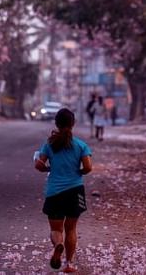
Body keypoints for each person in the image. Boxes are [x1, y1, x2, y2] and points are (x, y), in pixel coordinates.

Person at [35, 108, 93, 273]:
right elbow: (88, 167)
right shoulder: (81, 145)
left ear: (56, 124)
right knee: (71, 228)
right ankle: (69, 264)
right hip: (75, 191)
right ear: (73, 124)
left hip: (55, 192)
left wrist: (46, 168)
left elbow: (38, 165)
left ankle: (58, 244)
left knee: (56, 230)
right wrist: (79, 172)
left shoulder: (49, 144)